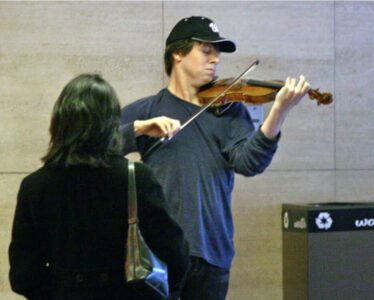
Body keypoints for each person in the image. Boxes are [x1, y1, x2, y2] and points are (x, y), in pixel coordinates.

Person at [120, 16, 310, 300]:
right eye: (206, 50)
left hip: (212, 253)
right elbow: (95, 145)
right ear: (178, 53)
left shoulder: (229, 110)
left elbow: (249, 162)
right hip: (158, 254)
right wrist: (140, 127)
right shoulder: (149, 109)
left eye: (217, 53)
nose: (216, 60)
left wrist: (278, 112)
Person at [9, 73, 190, 300]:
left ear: (59, 122)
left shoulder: (35, 186)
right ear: (112, 124)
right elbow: (176, 256)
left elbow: (22, 275)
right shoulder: (137, 178)